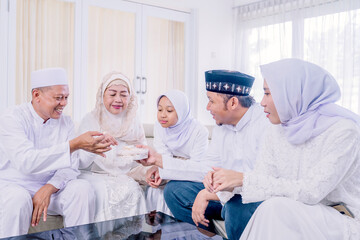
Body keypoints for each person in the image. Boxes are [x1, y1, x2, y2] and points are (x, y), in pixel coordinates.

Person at [208, 59, 360, 239]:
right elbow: (264, 180)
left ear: (293, 93)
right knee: (265, 207)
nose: (262, 102)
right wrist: (227, 183)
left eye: (267, 93)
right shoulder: (278, 129)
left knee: (274, 209)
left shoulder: (344, 131)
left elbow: (311, 192)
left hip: (339, 216)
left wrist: (243, 179)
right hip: (292, 208)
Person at [0, 68, 112, 238]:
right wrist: (74, 145)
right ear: (36, 95)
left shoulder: (65, 122)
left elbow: (71, 165)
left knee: (82, 188)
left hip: (49, 186)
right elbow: (26, 161)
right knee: (18, 200)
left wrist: (49, 188)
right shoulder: (12, 118)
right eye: (58, 98)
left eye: (66, 97)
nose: (64, 103)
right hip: (14, 185)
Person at [161, 70, 269, 240]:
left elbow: (260, 181)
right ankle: (212, 236)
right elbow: (206, 167)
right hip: (225, 194)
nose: (207, 107)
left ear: (233, 102)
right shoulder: (222, 124)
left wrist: (210, 195)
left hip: (252, 197)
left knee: (235, 208)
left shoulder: (265, 123)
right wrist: (209, 179)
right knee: (174, 191)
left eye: (211, 101)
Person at [77, 71, 147, 222]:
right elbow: (80, 161)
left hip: (125, 174)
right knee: (104, 193)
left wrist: (138, 154)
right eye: (112, 94)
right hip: (93, 174)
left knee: (132, 190)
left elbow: (142, 150)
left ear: (130, 97)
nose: (118, 99)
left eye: (123, 94)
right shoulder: (90, 120)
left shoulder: (133, 120)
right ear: (103, 96)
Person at [140, 90, 209, 216]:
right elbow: (163, 155)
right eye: (159, 110)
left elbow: (197, 169)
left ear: (182, 111)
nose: (163, 115)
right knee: (150, 184)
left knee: (171, 188)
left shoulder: (199, 131)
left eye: (169, 110)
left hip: (192, 174)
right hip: (170, 167)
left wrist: (164, 168)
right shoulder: (159, 126)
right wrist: (160, 170)